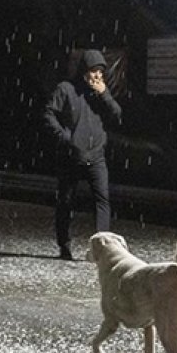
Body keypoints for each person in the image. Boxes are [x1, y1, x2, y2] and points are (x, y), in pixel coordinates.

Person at [42, 49, 122, 261]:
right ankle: (64, 244)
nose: (96, 76)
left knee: (102, 200)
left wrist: (104, 93)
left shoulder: (100, 94)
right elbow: (49, 112)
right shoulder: (66, 89)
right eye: (93, 71)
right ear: (84, 71)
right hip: (71, 156)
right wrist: (64, 137)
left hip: (96, 155)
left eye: (100, 72)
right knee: (66, 201)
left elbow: (117, 114)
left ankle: (101, 248)